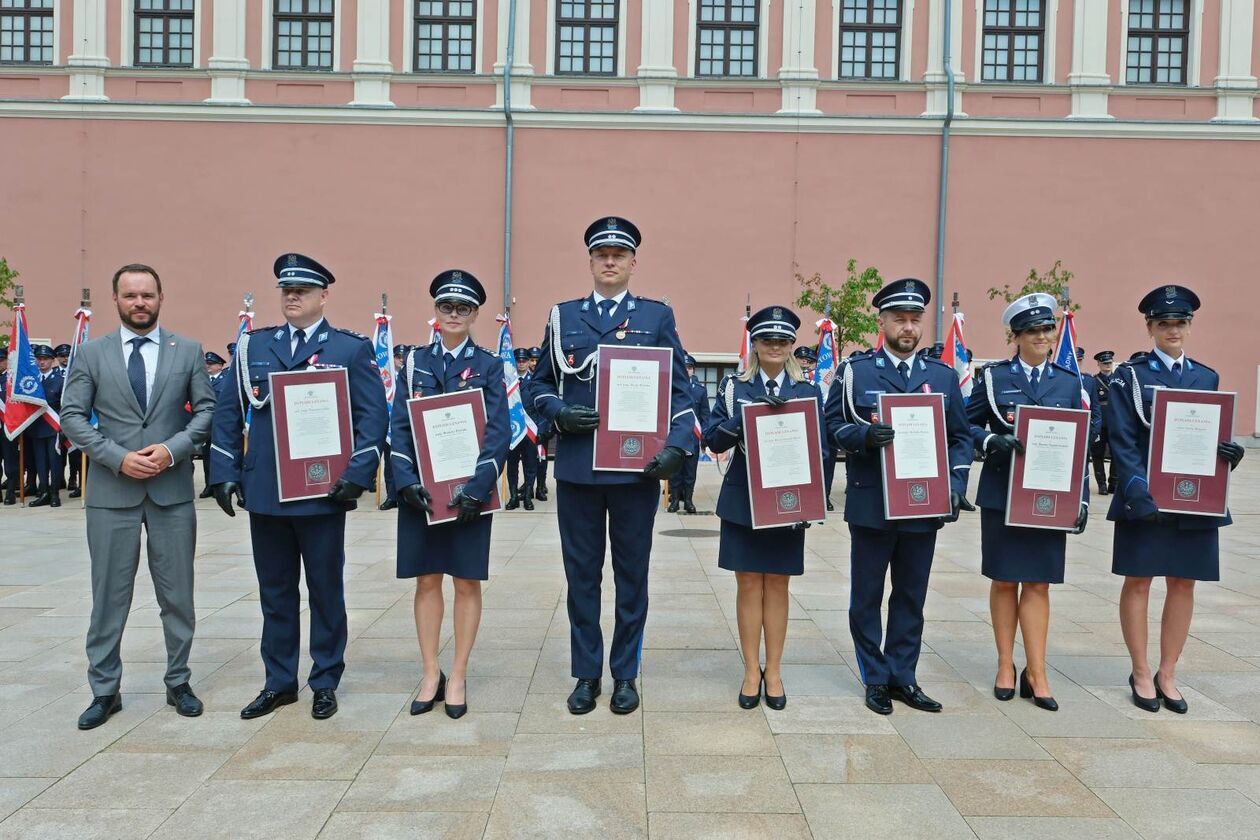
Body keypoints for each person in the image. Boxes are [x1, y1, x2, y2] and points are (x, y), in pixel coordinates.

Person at [209, 253, 389, 721]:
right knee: (275, 592)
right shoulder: (253, 347)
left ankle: (325, 679)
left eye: (303, 290)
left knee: (326, 591)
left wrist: (356, 474)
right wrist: (224, 472)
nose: (292, 297)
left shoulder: (349, 349)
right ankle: (279, 682)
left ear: (323, 295)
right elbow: (228, 411)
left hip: (323, 492)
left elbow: (373, 417)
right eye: (286, 290)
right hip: (267, 491)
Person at [531, 216, 696, 715]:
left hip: (635, 473)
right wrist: (559, 411)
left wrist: (677, 446)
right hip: (580, 471)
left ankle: (625, 673)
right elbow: (536, 384)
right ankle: (586, 675)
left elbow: (683, 390)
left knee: (632, 576)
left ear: (632, 263)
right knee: (582, 578)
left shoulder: (656, 316)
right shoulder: (564, 317)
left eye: (618, 255)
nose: (609, 261)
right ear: (590, 261)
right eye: (601, 254)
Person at [60, 263, 216, 729]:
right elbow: (71, 415)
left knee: (178, 594)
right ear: (116, 300)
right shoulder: (91, 354)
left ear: (161, 298)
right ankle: (105, 691)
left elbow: (206, 410)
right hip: (113, 493)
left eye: (147, 295)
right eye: (130, 296)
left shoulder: (186, 351)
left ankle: (179, 681)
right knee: (109, 595)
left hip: (171, 492)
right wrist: (116, 457)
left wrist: (172, 450)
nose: (139, 303)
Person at [825, 278, 975, 716]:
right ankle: (874, 677)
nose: (907, 327)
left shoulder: (942, 376)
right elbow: (831, 425)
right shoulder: (857, 372)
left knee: (911, 596)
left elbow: (960, 437)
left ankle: (903, 676)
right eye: (899, 319)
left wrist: (955, 485)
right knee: (867, 596)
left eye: (914, 320)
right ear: (883, 321)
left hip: (923, 504)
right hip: (872, 502)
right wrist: (864, 437)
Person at [1107, 285, 1244, 714]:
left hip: (1193, 498)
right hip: (1145, 496)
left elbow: (1208, 435)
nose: (1173, 330)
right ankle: (1142, 670)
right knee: (1140, 580)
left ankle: (1168, 672)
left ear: (1189, 326)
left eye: (1180, 323)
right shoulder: (1129, 376)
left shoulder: (1206, 377)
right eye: (1164, 323)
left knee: (1183, 582)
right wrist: (1134, 488)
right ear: (1149, 327)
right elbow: (1123, 440)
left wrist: (1228, 454)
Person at [390, 270, 509, 719]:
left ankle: (457, 674)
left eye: (463, 308)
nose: (453, 315)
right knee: (425, 580)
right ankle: (429, 671)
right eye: (446, 307)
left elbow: (498, 432)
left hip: (469, 495)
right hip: (421, 492)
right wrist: (404, 480)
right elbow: (399, 427)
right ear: (435, 312)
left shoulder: (489, 365)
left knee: (465, 581)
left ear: (475, 313)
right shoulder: (415, 363)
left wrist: (478, 488)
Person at [967, 293, 1090, 713]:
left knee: (1038, 583)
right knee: (1004, 580)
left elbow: (1081, 446)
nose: (1042, 336)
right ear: (1015, 336)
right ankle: (1005, 664)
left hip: (1049, 498)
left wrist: (1083, 498)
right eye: (1033, 330)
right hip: (1003, 494)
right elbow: (964, 425)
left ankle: (1036, 671)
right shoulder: (992, 378)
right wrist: (989, 441)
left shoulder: (1070, 382)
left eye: (1047, 329)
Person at [705, 306, 825, 710]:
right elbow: (712, 439)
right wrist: (736, 425)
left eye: (783, 340)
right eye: (766, 340)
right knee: (748, 584)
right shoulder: (732, 387)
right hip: (743, 499)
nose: (775, 346)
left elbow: (822, 449)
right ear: (754, 344)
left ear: (792, 344)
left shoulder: (808, 391)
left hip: (788, 500)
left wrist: (813, 498)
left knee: (777, 583)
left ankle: (773, 669)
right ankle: (750, 669)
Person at [668, 354, 710, 514]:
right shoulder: (673, 388)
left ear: (693, 370)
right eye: (684, 368)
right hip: (677, 435)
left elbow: (705, 414)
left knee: (690, 471)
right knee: (675, 470)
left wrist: (705, 434)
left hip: (693, 436)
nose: (687, 371)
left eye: (690, 368)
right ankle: (674, 501)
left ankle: (688, 501)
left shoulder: (700, 391)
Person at [27, 344, 62, 508]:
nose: (42, 362)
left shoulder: (60, 381)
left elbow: (65, 406)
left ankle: (55, 493)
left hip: (53, 428)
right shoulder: (30, 380)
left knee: (54, 462)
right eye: (39, 359)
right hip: (36, 427)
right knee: (40, 462)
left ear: (52, 360)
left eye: (46, 359)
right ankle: (44, 491)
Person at [505, 347, 538, 510]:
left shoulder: (535, 381)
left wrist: (542, 430)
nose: (521, 364)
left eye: (524, 360)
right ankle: (513, 497)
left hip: (531, 432)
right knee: (512, 465)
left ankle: (527, 496)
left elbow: (541, 408)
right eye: (518, 361)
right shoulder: (508, 382)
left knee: (530, 465)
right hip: (513, 431)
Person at [379, 344, 409, 511]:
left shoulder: (410, 375)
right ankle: (391, 496)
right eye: (397, 357)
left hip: (404, 425)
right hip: (389, 424)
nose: (400, 360)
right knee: (389, 464)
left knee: (403, 461)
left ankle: (402, 493)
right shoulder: (386, 378)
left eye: (403, 357)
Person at [197, 351, 228, 498]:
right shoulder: (201, 380)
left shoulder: (226, 379)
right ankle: (209, 485)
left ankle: (220, 485)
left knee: (220, 456)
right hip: (205, 424)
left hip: (221, 424)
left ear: (220, 366)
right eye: (206, 364)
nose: (207, 366)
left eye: (211, 364)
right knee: (207, 456)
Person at [1090, 350, 1116, 494]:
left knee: (1116, 453)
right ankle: (1102, 484)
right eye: (1104, 363)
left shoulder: (1118, 380)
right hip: (1100, 423)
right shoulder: (1094, 381)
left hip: (1114, 422)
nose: (1107, 365)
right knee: (1098, 454)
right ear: (1099, 364)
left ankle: (1113, 482)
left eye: (1109, 363)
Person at [528, 346, 551, 501]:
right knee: (528, 459)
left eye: (537, 360)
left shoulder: (545, 377)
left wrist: (547, 429)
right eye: (532, 360)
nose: (534, 363)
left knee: (542, 458)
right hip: (527, 425)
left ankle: (541, 486)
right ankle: (528, 484)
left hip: (542, 423)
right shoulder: (521, 378)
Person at [0, 348, 17, 505]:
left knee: (10, 461)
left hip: (7, 426)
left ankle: (10, 492)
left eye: (1, 360)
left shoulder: (11, 379)